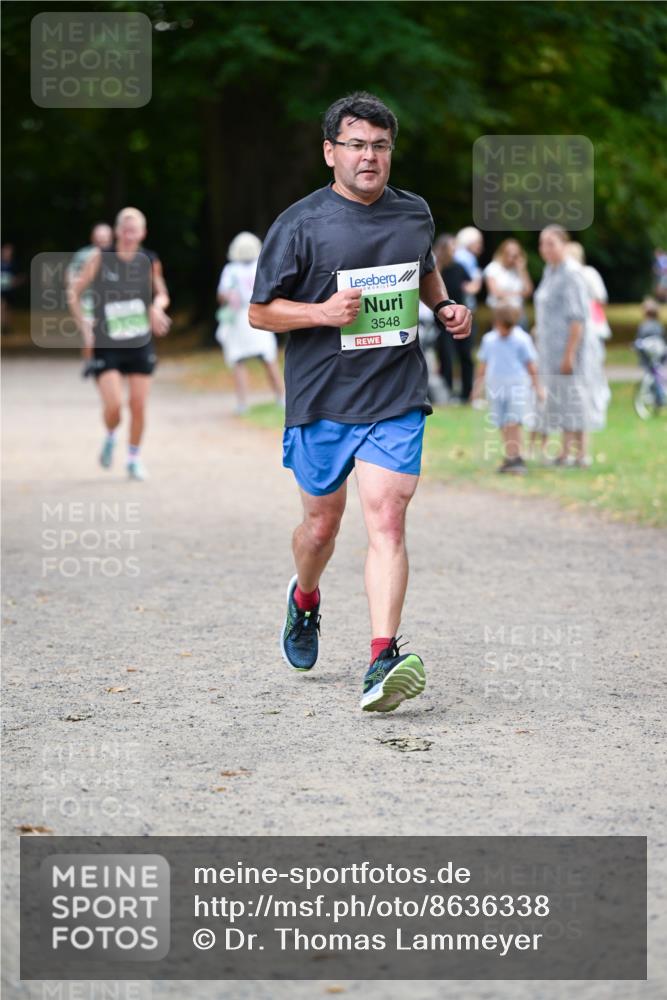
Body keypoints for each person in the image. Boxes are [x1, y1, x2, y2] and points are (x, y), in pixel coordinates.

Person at [248, 91, 472, 713]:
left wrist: (443, 306)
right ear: (330, 152)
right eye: (355, 145)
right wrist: (320, 313)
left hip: (395, 393)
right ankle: (304, 598)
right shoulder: (300, 224)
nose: (369, 156)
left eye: (379, 145)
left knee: (388, 520)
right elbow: (260, 312)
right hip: (322, 398)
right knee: (321, 528)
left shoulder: (414, 213)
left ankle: (382, 659)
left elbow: (422, 268)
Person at [67, 207, 170, 481]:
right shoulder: (100, 258)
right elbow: (74, 293)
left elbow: (162, 293)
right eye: (124, 230)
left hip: (139, 343)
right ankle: (111, 434)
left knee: (138, 405)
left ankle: (133, 458)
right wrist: (84, 325)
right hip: (107, 343)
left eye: (134, 230)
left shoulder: (149, 260)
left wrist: (157, 307)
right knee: (114, 406)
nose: (128, 235)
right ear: (116, 231)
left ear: (143, 233)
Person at [533, 224, 604, 467]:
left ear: (564, 245)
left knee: (575, 398)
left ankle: (581, 454)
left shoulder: (572, 273)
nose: (545, 249)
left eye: (551, 243)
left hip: (570, 349)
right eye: (542, 243)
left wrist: (570, 354)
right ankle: (565, 452)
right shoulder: (550, 270)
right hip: (550, 349)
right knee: (561, 399)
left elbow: (578, 318)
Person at [215, 231, 284, 415]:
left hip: (243, 317)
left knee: (241, 361)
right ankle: (279, 397)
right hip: (254, 315)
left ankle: (245, 402)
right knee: (266, 358)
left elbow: (221, 294)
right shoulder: (260, 266)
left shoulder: (231, 269)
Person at [473, 305, 543, 475]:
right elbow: (483, 364)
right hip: (496, 388)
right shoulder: (489, 340)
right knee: (502, 423)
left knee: (514, 422)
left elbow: (530, 364)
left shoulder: (522, 339)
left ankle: (517, 457)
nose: (505, 331)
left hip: (516, 387)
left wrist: (537, 386)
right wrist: (476, 388)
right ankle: (510, 455)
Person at [433, 233, 476, 402]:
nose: (455, 250)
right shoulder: (436, 269)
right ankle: (447, 393)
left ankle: (467, 393)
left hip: (460, 316)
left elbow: (471, 284)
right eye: (452, 247)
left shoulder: (459, 267)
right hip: (442, 320)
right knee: (446, 356)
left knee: (465, 355)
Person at [67, 223, 114, 325]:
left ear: (111, 239)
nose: (102, 241)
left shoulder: (118, 255)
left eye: (105, 239)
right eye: (99, 238)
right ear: (93, 238)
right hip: (88, 301)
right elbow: (70, 276)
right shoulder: (83, 255)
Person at [483, 239, 533, 326]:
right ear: (503, 253)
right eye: (509, 254)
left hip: (518, 312)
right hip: (499, 311)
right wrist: (518, 294)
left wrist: (522, 270)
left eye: (515, 255)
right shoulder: (493, 268)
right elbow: (496, 293)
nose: (512, 258)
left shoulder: (519, 270)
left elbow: (528, 291)